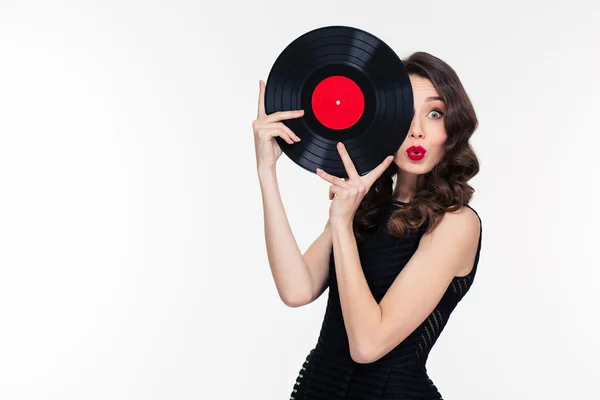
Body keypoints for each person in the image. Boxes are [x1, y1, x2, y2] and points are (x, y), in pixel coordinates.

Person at [253, 51, 482, 400]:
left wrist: (342, 224)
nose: (417, 130)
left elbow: (368, 344)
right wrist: (267, 170)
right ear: (383, 123)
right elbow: (296, 289)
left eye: (434, 113)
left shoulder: (455, 223)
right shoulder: (366, 205)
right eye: (405, 113)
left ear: (453, 126)